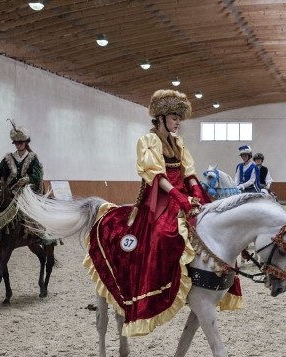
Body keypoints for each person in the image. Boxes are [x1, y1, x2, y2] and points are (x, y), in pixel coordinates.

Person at [83, 89, 239, 337]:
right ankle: (154, 288)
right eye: (175, 117)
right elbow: (155, 175)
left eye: (179, 117)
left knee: (212, 222)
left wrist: (197, 194)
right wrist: (179, 197)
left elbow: (188, 172)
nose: (178, 122)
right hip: (158, 199)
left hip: (182, 195)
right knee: (164, 235)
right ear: (161, 117)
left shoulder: (178, 143)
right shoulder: (147, 141)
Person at [0, 120, 44, 241]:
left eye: (20, 142)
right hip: (11, 189)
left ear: (25, 142)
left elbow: (38, 174)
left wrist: (27, 179)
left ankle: (36, 231)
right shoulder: (8, 158)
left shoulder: (32, 157)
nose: (18, 145)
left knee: (30, 208)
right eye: (16, 143)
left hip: (27, 190)